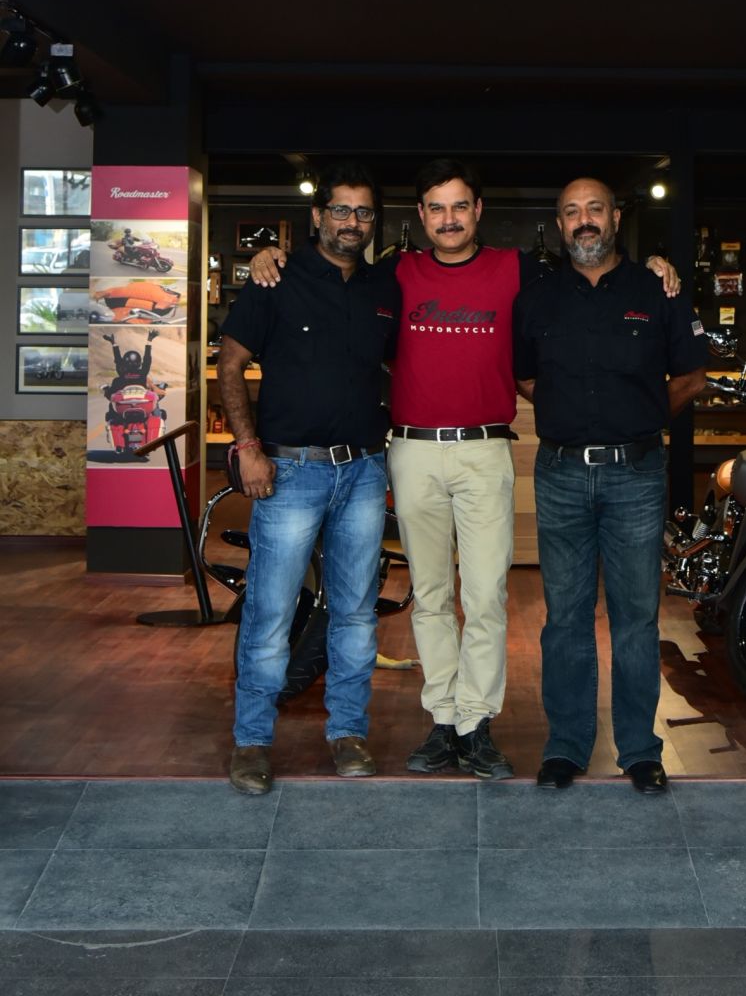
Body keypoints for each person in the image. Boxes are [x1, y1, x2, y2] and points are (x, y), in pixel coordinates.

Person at [250, 156, 679, 781]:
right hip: (413, 450)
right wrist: (273, 256)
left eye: (459, 206)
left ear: (478, 211)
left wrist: (655, 267)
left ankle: (476, 722)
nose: (448, 219)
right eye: (436, 208)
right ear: (420, 216)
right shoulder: (394, 273)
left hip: (484, 451)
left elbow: (592, 268)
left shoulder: (520, 270)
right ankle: (443, 718)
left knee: (485, 597)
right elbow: (332, 271)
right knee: (430, 596)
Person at [513, 176, 708, 796]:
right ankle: (567, 745)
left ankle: (640, 751)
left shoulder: (657, 290)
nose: (584, 220)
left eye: (594, 208)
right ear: (560, 224)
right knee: (565, 618)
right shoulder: (537, 298)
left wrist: (642, 417)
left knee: (635, 618)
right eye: (572, 212)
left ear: (616, 217)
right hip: (561, 473)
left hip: (637, 475)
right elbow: (525, 379)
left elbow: (693, 376)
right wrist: (572, 417)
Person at [218, 162, 400, 796]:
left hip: (364, 470)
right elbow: (231, 364)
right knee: (270, 611)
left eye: (364, 212)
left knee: (354, 613)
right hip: (289, 470)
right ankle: (251, 741)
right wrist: (248, 448)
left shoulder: (384, 287)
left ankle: (348, 732)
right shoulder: (276, 278)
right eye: (341, 210)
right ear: (318, 215)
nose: (352, 222)